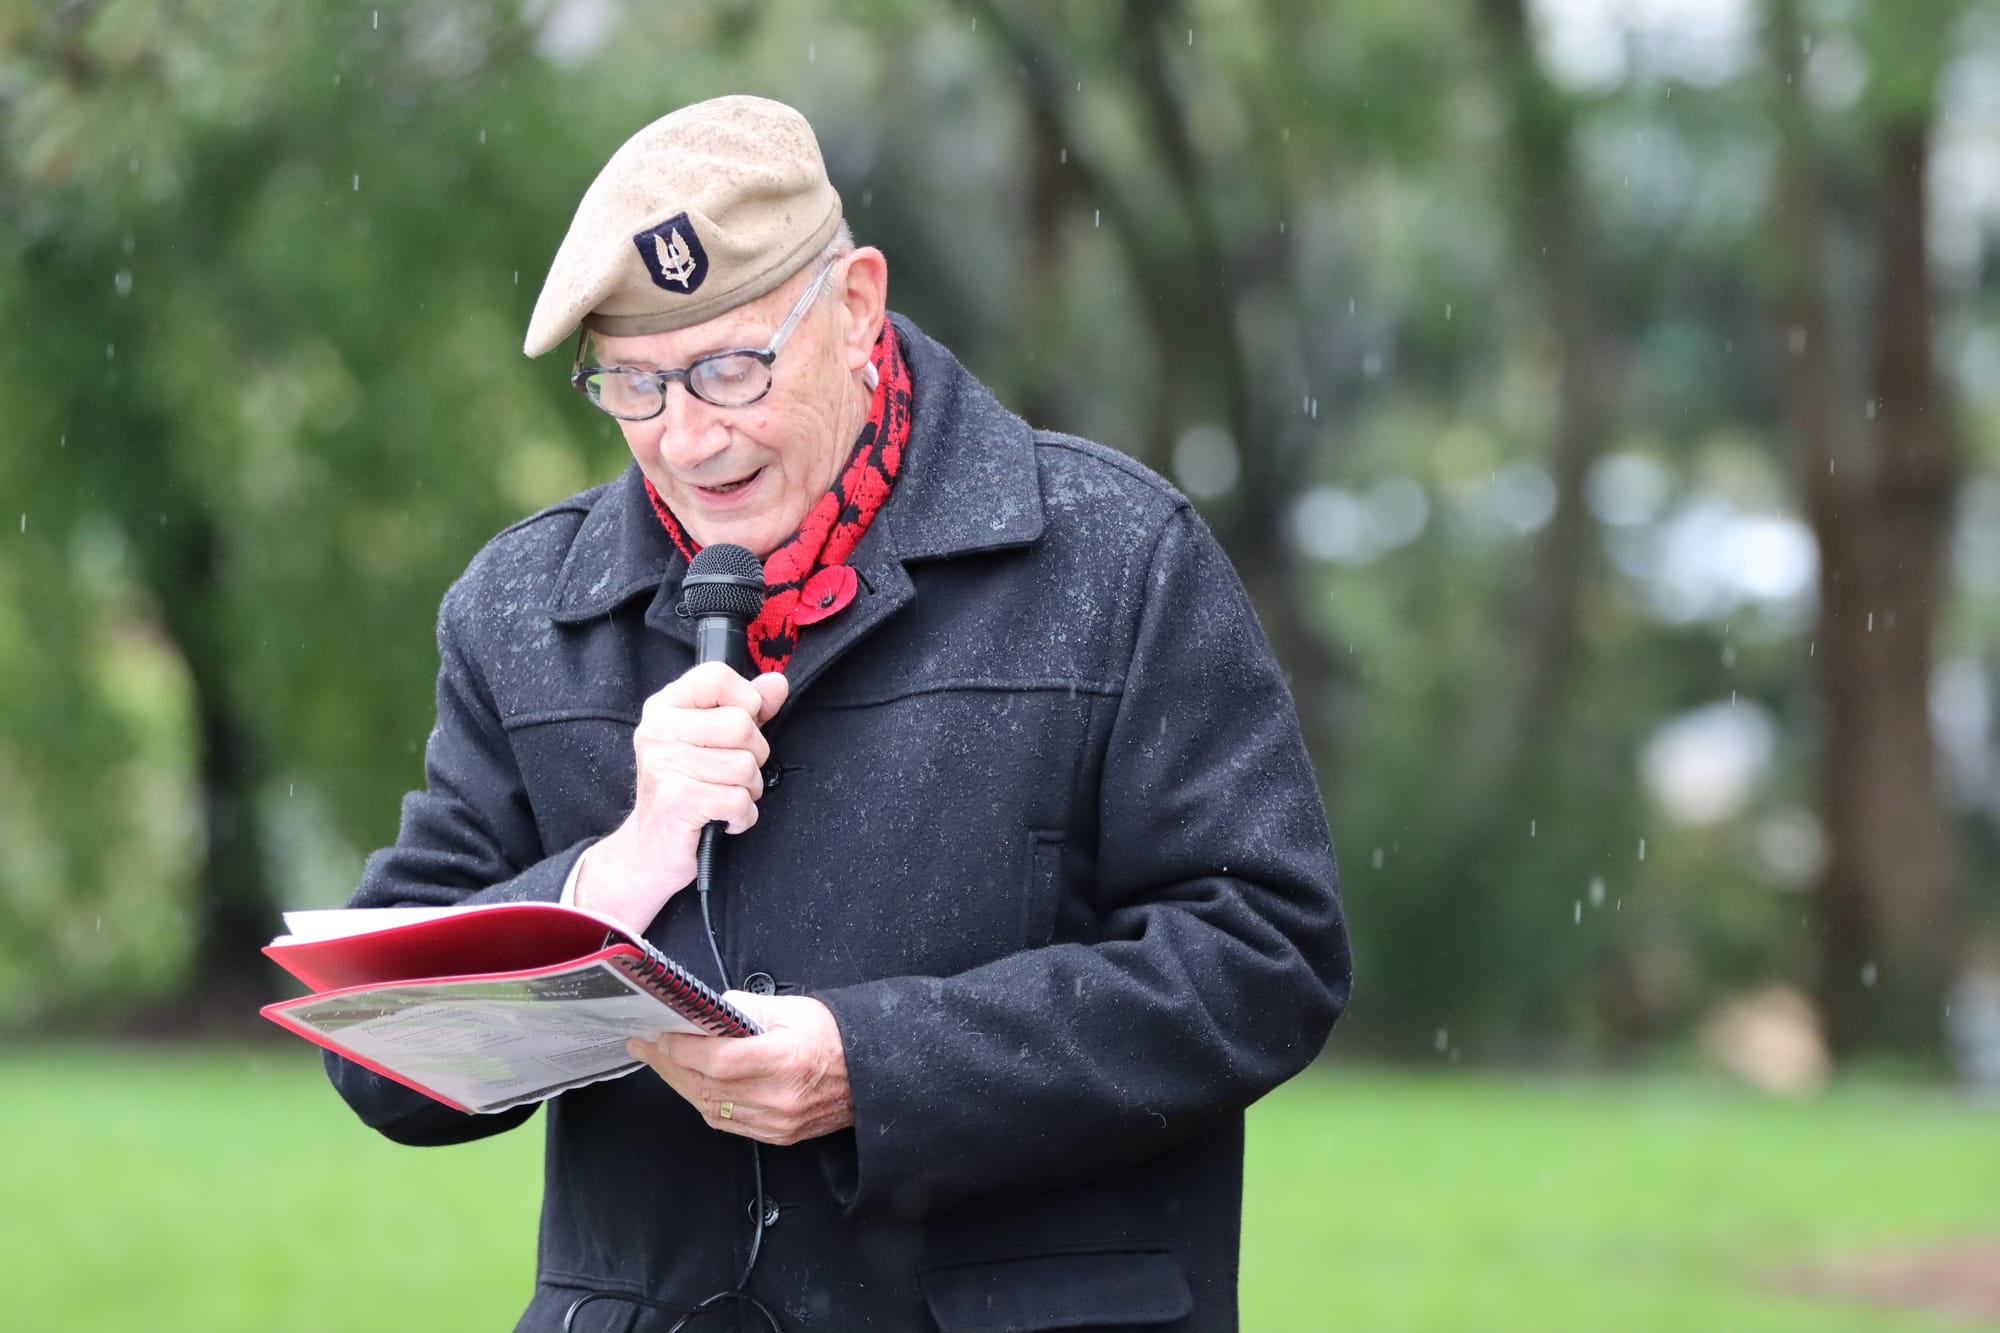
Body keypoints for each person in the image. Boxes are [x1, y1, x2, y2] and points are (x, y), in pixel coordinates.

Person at [326, 94, 1350, 1333]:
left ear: (855, 303)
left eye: (729, 367)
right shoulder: (520, 609)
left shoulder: (1118, 558)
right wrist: (615, 870)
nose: (689, 437)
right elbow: (386, 1056)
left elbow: (1262, 960)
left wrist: (870, 1064)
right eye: (634, 386)